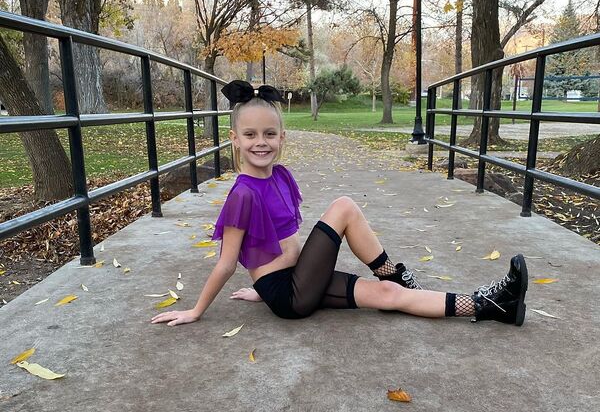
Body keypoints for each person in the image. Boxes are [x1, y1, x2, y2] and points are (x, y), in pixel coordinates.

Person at [151, 80, 528, 328]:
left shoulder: (280, 176)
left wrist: (260, 287)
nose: (260, 142)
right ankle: (396, 274)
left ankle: (492, 306)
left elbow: (277, 246)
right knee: (344, 206)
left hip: (299, 280)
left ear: (282, 137)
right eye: (250, 134)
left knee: (388, 296)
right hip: (288, 295)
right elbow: (227, 262)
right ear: (235, 138)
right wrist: (197, 310)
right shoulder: (243, 194)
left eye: (269, 133)